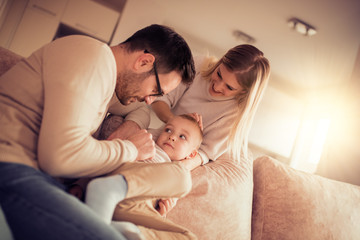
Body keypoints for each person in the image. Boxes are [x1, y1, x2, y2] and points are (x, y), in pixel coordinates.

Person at [0, 24, 195, 240]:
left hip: (31, 176)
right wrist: (130, 149)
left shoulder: (107, 78)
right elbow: (59, 157)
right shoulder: (93, 57)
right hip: (10, 166)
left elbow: (140, 110)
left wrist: (131, 126)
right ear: (144, 62)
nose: (150, 100)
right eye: (155, 90)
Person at [151, 44, 270, 170]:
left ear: (244, 92)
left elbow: (206, 153)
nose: (217, 87)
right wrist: (175, 124)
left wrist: (179, 168)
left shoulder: (235, 114)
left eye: (229, 87)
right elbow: (161, 98)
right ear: (219, 63)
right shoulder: (198, 64)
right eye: (219, 74)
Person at [85, 114, 203, 240]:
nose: (172, 137)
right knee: (184, 177)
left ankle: (129, 231)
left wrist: (160, 214)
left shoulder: (172, 172)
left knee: (189, 237)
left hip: (136, 209)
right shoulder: (148, 144)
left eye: (182, 137)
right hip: (120, 185)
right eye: (168, 130)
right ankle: (110, 194)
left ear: (192, 154)